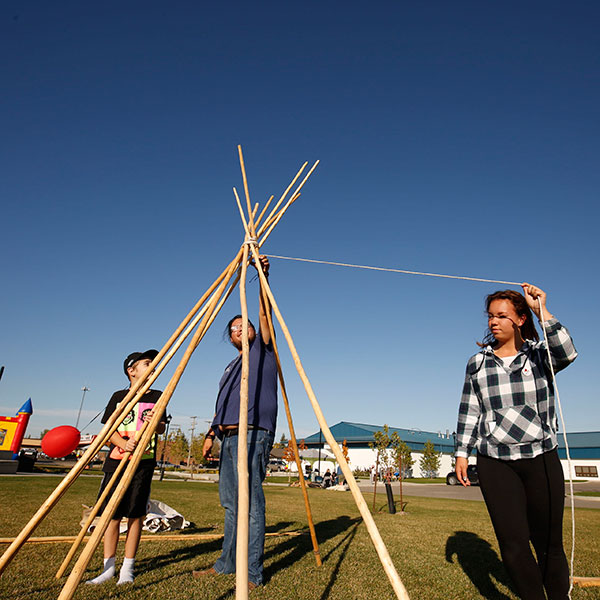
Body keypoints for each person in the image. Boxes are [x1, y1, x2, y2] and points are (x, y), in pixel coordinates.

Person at [455, 283, 577, 600]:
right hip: (495, 462)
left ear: (520, 319)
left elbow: (567, 352)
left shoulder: (540, 356)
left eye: (501, 315)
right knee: (513, 544)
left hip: (541, 458)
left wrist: (542, 311)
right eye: (490, 316)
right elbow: (469, 409)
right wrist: (461, 454)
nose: (493, 322)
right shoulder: (477, 363)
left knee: (549, 542)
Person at [195, 255, 277, 591]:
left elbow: (264, 315)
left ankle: (252, 572)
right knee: (230, 503)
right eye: (232, 329)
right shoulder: (232, 366)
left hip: (253, 434)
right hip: (228, 437)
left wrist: (262, 278)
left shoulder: (263, 351)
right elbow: (223, 404)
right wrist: (211, 434)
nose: (238, 329)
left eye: (243, 325)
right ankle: (227, 563)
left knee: (251, 503)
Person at [86, 349, 166, 586]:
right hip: (117, 461)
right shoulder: (119, 396)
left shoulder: (158, 395)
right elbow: (108, 429)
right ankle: (108, 567)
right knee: (111, 515)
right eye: (146, 363)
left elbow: (161, 428)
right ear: (131, 371)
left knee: (136, 515)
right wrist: (123, 443)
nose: (151, 366)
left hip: (143, 463)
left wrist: (156, 423)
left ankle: (127, 568)